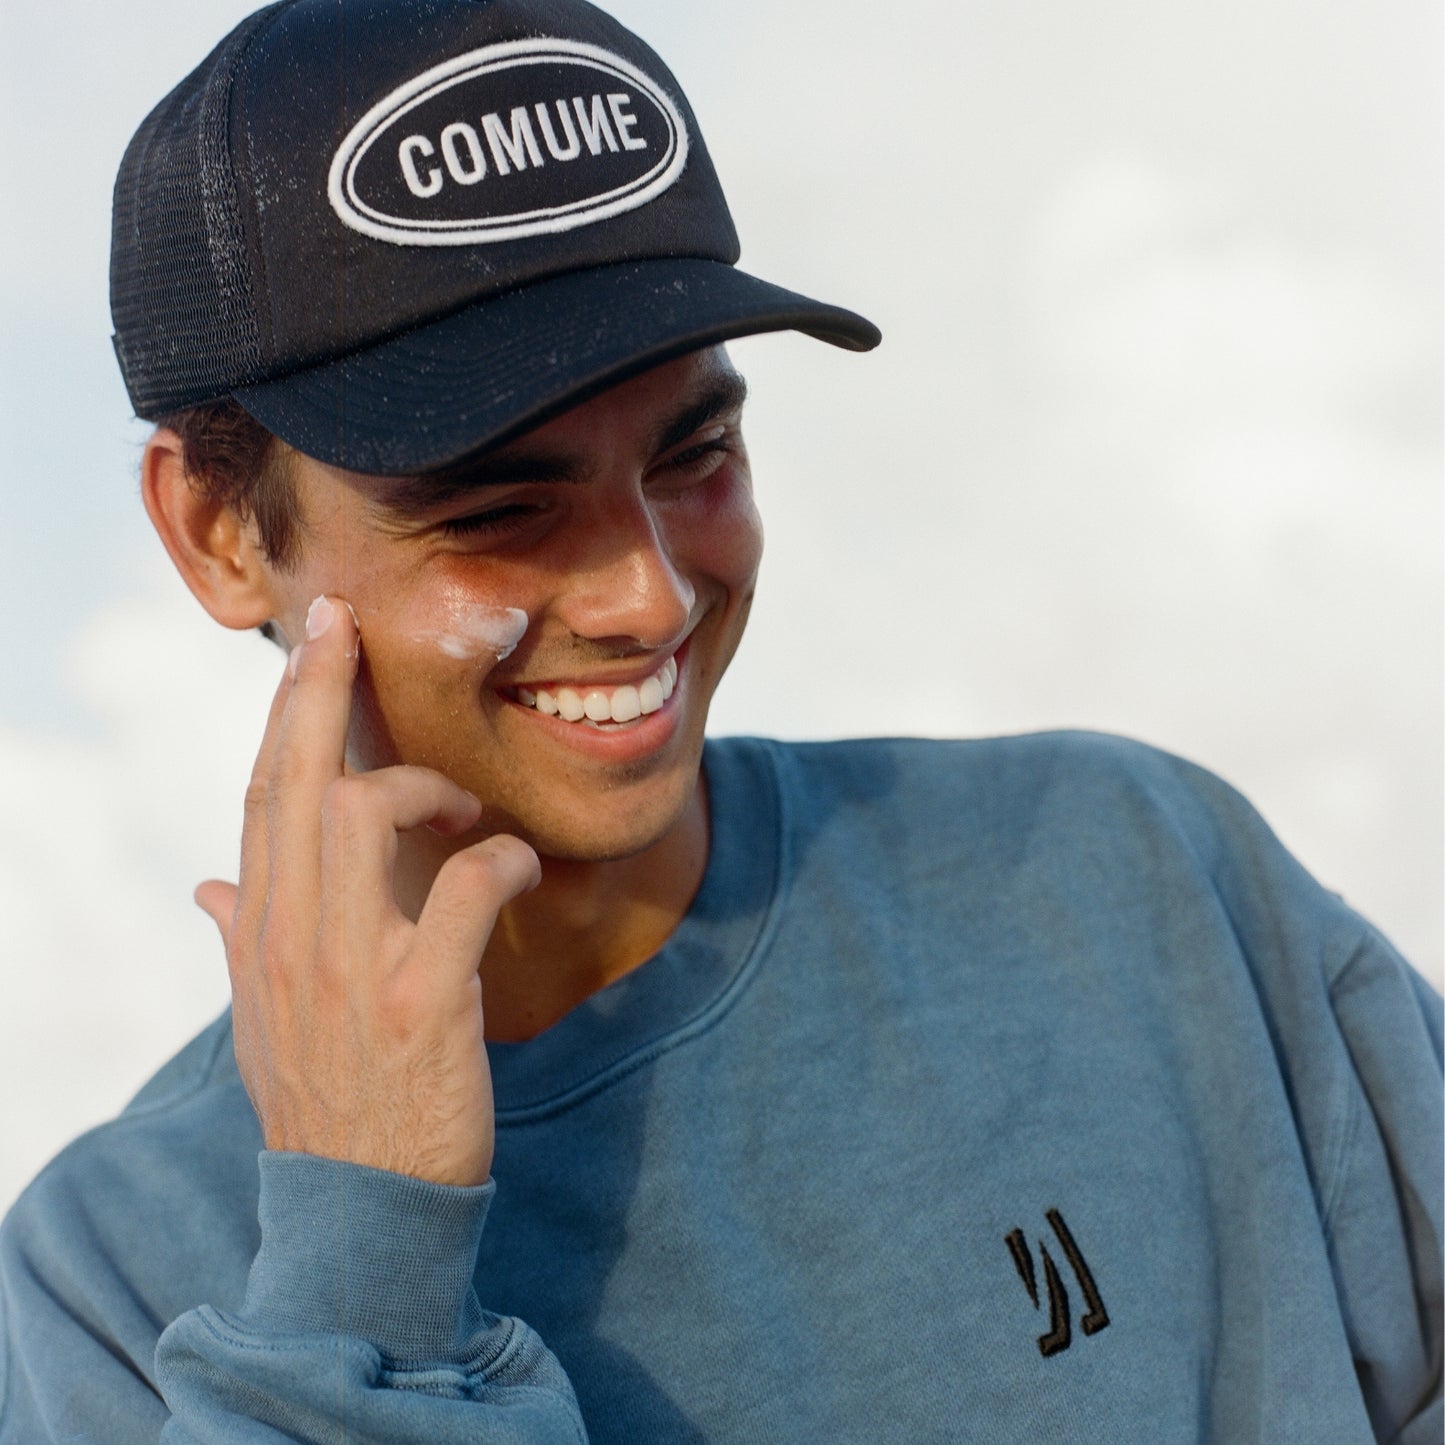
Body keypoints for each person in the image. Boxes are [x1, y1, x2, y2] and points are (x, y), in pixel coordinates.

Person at [1, 0, 1440, 1439]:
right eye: (497, 506)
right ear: (214, 531)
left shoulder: (1141, 884)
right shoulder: (111, 1286)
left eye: (698, 451)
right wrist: (358, 1280)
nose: (643, 592)